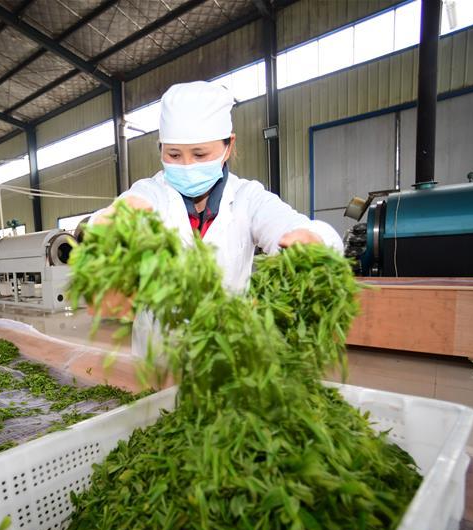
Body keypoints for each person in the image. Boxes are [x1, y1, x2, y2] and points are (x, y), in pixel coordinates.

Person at [90, 80, 343, 357]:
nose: (186, 165)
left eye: (200, 154)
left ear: (228, 145)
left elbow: (291, 225)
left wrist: (311, 240)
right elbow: (116, 215)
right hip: (158, 360)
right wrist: (111, 222)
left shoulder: (248, 197)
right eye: (173, 154)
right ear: (160, 148)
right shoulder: (151, 192)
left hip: (226, 358)